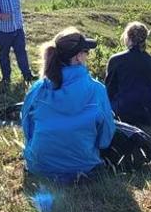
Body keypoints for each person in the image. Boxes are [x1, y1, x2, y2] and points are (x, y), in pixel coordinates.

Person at [21, 28, 115, 183]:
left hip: (39, 166)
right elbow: (105, 138)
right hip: (83, 166)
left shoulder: (38, 89)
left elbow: (27, 127)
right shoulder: (97, 90)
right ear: (78, 57)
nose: (87, 55)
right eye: (86, 52)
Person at [105, 21, 151, 128]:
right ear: (145, 39)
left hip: (122, 113)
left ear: (127, 37)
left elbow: (109, 91)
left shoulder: (116, 60)